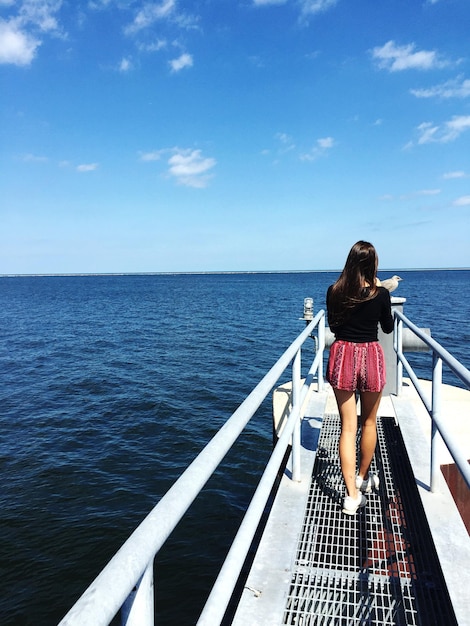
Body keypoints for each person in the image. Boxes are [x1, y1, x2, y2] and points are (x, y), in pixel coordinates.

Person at [326, 241, 394, 515]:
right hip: (370, 357)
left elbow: (333, 326)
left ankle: (351, 496)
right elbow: (387, 328)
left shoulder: (334, 292)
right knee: (369, 422)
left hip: (343, 356)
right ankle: (362, 478)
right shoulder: (380, 295)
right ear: (372, 264)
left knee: (347, 427)